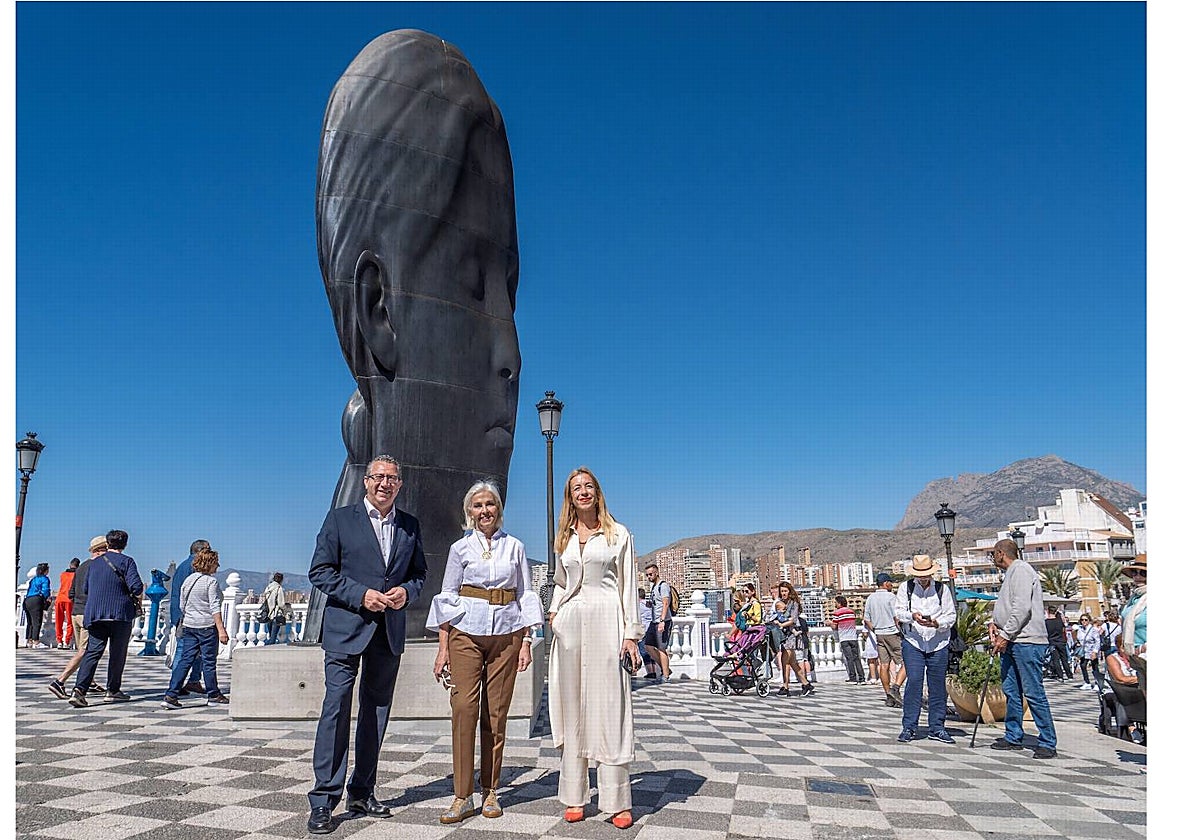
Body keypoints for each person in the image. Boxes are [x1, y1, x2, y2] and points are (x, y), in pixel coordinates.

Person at [307, 30, 522, 643]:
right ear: (379, 308)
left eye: (509, 290)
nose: (512, 355)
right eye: (470, 287)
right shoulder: (349, 533)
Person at [306, 455, 427, 835]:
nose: (384, 484)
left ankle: (363, 791)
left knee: (376, 715)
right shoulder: (340, 519)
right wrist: (362, 595)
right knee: (337, 709)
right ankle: (324, 799)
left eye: (391, 478)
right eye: (378, 477)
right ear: (366, 481)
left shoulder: (409, 526)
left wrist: (407, 593)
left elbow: (420, 574)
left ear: (400, 484)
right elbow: (320, 571)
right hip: (345, 631)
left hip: (388, 633)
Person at [427, 480, 542, 824]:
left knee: (496, 714)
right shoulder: (459, 549)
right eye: (477, 505)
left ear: (499, 509)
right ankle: (462, 795)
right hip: (466, 632)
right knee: (463, 707)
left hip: (507, 635)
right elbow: (447, 595)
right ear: (469, 512)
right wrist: (442, 647)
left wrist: (526, 641)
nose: (484, 511)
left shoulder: (516, 547)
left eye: (490, 504)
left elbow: (526, 594)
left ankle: (490, 790)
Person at [547, 467, 641, 830]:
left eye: (588, 486)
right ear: (569, 497)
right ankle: (574, 795)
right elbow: (560, 580)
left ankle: (616, 800)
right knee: (573, 707)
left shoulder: (618, 534)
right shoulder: (565, 538)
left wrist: (631, 633)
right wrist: (555, 614)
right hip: (570, 626)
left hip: (607, 622)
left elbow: (628, 586)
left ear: (597, 492)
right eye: (576, 489)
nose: (582, 492)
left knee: (610, 707)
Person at [987, 539, 1058, 759]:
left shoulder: (1021, 570)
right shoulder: (1011, 573)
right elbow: (1008, 606)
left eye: (993, 554)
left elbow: (1022, 608)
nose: (993, 558)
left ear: (1000, 553)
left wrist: (1005, 635)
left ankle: (1047, 740)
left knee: (1033, 692)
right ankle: (1013, 735)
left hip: (1026, 641)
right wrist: (994, 623)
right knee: (1011, 691)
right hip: (1013, 640)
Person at [69, 529, 144, 706]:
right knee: (117, 653)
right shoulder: (127, 561)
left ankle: (79, 689)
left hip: (95, 613)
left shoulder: (93, 564)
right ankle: (113, 690)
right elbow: (137, 588)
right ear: (125, 545)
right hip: (120, 614)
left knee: (93, 651)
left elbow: (86, 588)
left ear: (107, 544)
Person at [893, 554, 957, 743]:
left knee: (937, 686)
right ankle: (909, 726)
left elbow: (951, 615)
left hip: (938, 642)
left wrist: (937, 623)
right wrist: (913, 616)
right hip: (913, 641)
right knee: (914, 682)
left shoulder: (941, 589)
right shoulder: (906, 588)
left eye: (926, 574)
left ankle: (937, 727)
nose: (923, 577)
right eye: (920, 574)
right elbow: (898, 611)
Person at [161, 547, 231, 708]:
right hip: (206, 626)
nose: (218, 565)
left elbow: (182, 604)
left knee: (185, 660)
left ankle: (171, 695)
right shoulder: (210, 582)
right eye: (216, 562)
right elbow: (214, 607)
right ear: (210, 563)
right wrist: (221, 630)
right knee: (208, 662)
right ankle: (213, 694)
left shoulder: (189, 580)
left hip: (189, 626)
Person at [48, 537, 108, 699]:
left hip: (75, 613)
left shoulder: (81, 567)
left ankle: (91, 682)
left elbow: (72, 593)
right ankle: (59, 682)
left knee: (85, 649)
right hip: (88, 614)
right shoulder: (98, 567)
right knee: (85, 650)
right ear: (101, 550)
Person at [169, 539, 212, 695]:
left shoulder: (183, 566)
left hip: (181, 614)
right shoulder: (195, 567)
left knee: (192, 651)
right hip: (189, 617)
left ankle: (192, 681)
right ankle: (176, 685)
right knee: (183, 652)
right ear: (202, 551)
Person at [864, 572, 904, 706]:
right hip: (892, 633)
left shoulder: (871, 598)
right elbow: (896, 617)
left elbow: (866, 619)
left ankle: (888, 695)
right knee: (907, 663)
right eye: (890, 582)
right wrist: (902, 631)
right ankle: (896, 688)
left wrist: (875, 630)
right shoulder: (891, 597)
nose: (892, 585)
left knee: (884, 665)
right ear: (886, 583)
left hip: (879, 634)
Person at [775, 581, 813, 696]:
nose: (783, 593)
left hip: (792, 636)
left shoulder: (794, 604)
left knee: (785, 660)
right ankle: (805, 684)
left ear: (789, 591)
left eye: (785, 591)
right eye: (782, 591)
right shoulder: (780, 603)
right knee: (791, 662)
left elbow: (793, 620)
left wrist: (782, 624)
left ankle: (786, 686)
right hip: (784, 635)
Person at [1119, 554, 1147, 690]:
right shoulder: (1134, 598)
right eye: (1134, 572)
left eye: (1143, 573)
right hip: (1137, 658)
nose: (1138, 576)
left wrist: (1145, 647)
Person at [642, 563, 672, 682]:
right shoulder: (654, 587)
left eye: (650, 574)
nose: (649, 577)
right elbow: (657, 603)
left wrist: (662, 621)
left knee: (661, 648)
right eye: (647, 575)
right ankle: (666, 669)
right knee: (648, 646)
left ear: (657, 572)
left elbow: (666, 603)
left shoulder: (663, 586)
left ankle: (665, 675)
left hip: (662, 621)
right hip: (654, 622)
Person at [828, 595, 864, 684]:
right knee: (857, 658)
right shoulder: (851, 612)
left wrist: (829, 623)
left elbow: (834, 626)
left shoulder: (837, 613)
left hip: (844, 638)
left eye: (836, 603)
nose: (835, 604)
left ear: (839, 603)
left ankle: (853, 678)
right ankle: (862, 678)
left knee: (849, 659)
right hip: (853, 637)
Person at [23, 563, 53, 648]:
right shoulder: (44, 579)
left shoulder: (33, 579)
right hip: (36, 600)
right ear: (46, 571)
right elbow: (45, 590)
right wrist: (47, 598)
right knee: (37, 621)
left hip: (27, 600)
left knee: (30, 622)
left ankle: (29, 640)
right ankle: (36, 641)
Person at [53, 559, 79, 649]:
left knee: (58, 621)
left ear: (69, 565)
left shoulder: (62, 574)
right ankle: (67, 642)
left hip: (59, 599)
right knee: (70, 621)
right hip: (69, 600)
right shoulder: (77, 575)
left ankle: (59, 641)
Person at [262, 572, 291, 645]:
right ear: (281, 580)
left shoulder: (268, 588)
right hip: (276, 615)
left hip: (268, 615)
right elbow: (281, 604)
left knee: (270, 636)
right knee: (273, 638)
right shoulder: (278, 588)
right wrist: (285, 609)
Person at [1044, 606, 1071, 682]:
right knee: (1064, 658)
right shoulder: (1059, 621)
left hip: (1052, 641)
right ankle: (1069, 674)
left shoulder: (1046, 622)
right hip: (1061, 641)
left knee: (1056, 660)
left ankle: (1060, 675)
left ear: (1048, 612)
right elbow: (1063, 629)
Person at [636, 589, 658, 678]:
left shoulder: (638, 606)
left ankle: (650, 672)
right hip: (652, 629)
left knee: (644, 651)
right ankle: (654, 671)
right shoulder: (649, 604)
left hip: (643, 630)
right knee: (651, 651)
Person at [1076, 614, 1101, 690]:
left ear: (1089, 621)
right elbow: (1079, 639)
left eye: (1085, 620)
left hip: (1092, 650)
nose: (1083, 621)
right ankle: (1087, 682)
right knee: (1083, 665)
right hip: (1084, 650)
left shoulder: (1093, 629)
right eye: (1082, 620)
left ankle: (1097, 683)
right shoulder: (1080, 629)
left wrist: (1095, 652)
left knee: (1095, 666)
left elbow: (1097, 641)